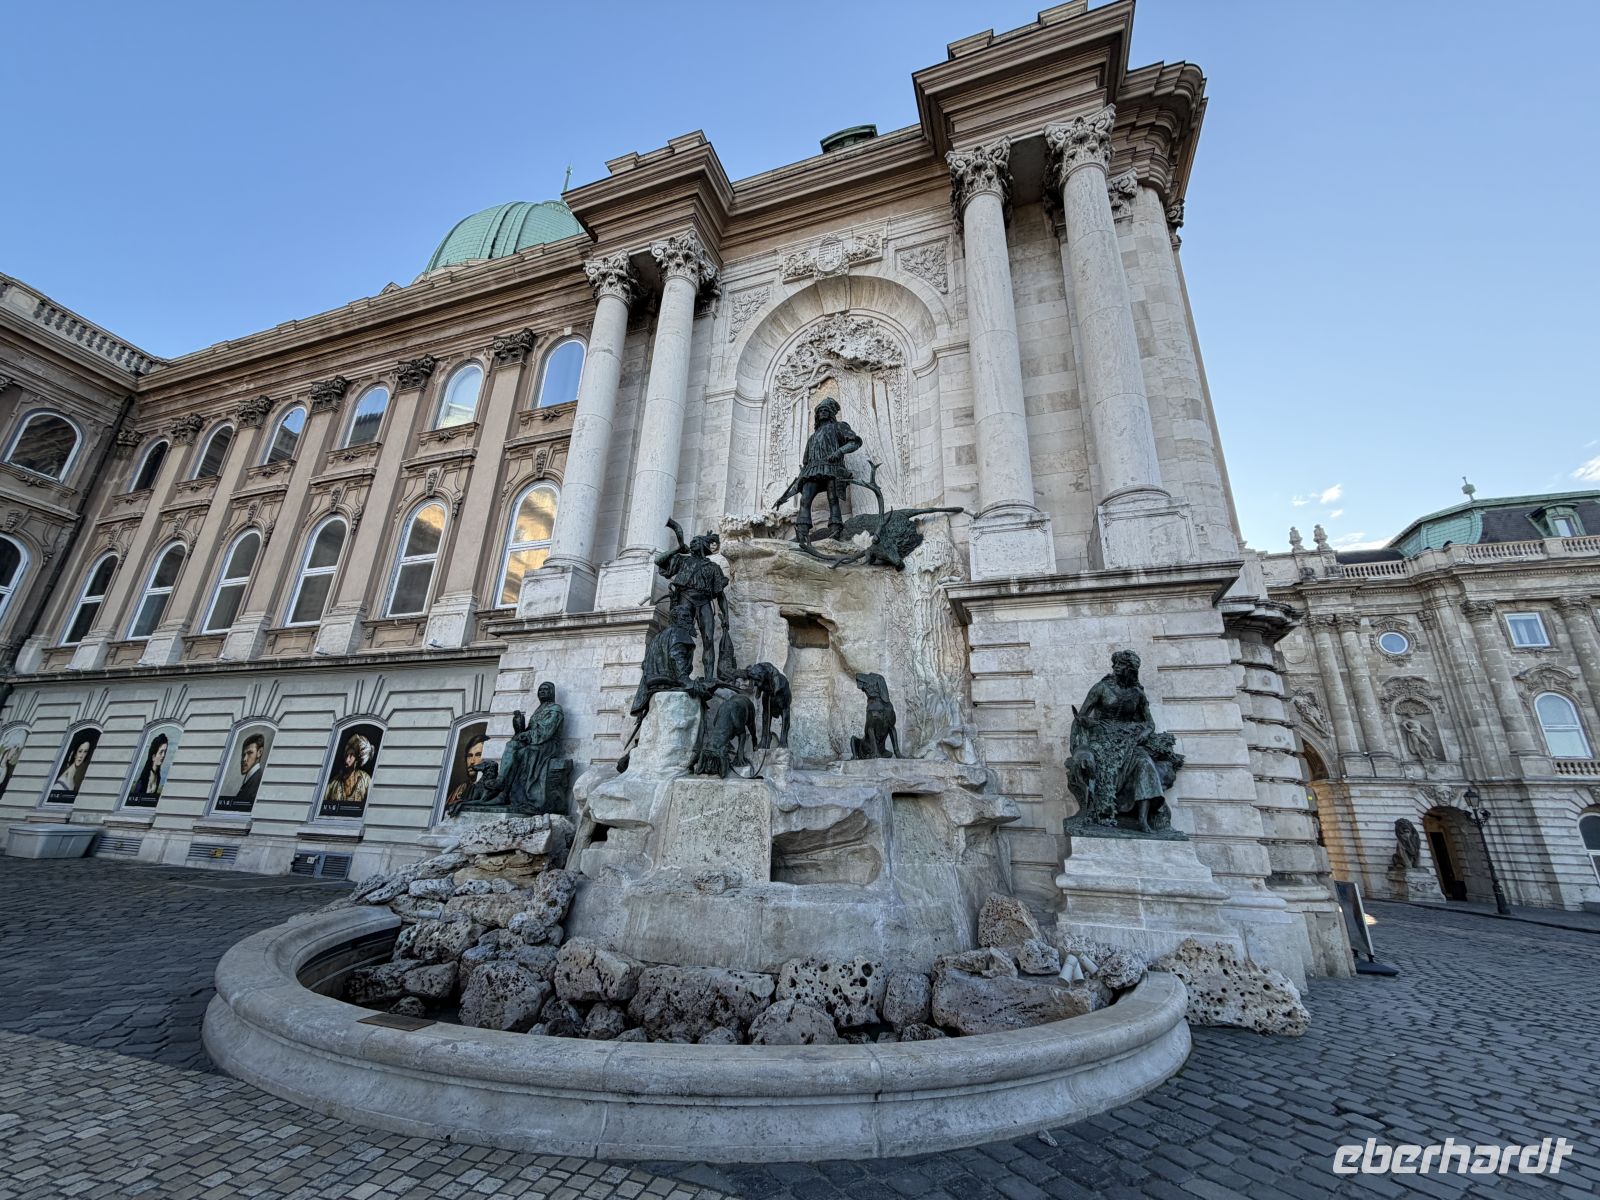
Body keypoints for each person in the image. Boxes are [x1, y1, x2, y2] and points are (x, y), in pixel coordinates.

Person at [779, 398, 863, 543]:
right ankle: (803, 530)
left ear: (831, 414)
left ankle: (836, 528)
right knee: (805, 499)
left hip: (832, 467)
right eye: (820, 411)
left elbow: (854, 442)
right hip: (812, 470)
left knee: (833, 498)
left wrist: (839, 452)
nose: (823, 413)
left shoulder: (839, 427)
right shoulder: (812, 438)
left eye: (826, 410)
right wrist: (795, 485)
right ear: (817, 415)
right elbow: (805, 461)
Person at [322, 732, 374, 817]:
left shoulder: (366, 780)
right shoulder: (333, 783)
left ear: (357, 759)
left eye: (351, 756)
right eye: (347, 755)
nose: (347, 760)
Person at [443, 731, 487, 817]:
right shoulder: (459, 789)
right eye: (469, 756)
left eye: (478, 755)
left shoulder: (490, 787)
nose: (472, 761)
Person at [231, 732, 266, 808]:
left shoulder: (257, 781)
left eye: (250, 753)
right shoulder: (252, 779)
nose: (244, 759)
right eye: (243, 755)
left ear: (259, 753)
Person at [133, 734, 170, 802]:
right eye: (161, 752)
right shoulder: (144, 778)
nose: (163, 755)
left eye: (165, 752)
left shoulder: (158, 777)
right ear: (153, 756)